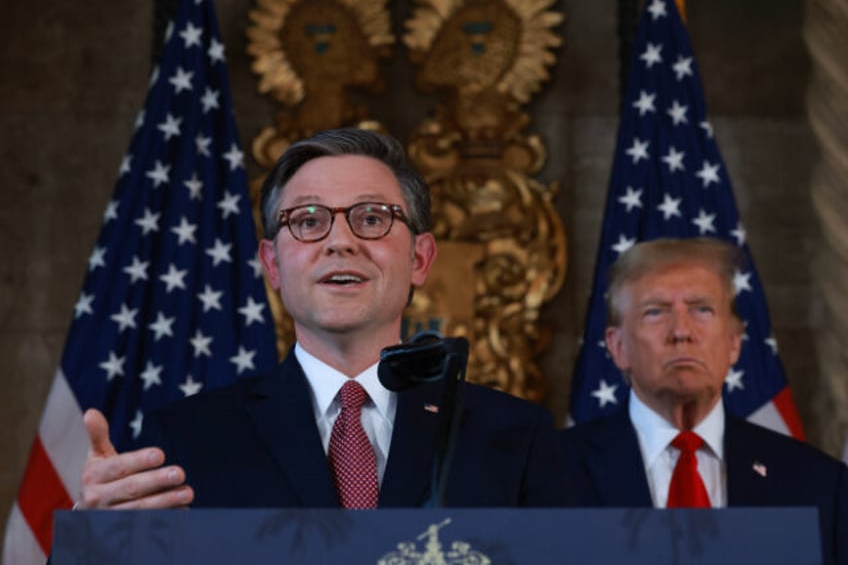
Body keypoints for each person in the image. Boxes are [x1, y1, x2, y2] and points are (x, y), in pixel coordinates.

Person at [77, 127, 567, 510]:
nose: (340, 241)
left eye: (372, 218)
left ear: (420, 258)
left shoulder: (513, 439)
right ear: (272, 263)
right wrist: (94, 544)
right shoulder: (187, 440)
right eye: (308, 221)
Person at [560, 237, 847, 565]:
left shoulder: (817, 484)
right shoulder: (549, 475)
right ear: (618, 346)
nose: (682, 331)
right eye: (656, 312)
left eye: (702, 310)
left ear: (733, 344)